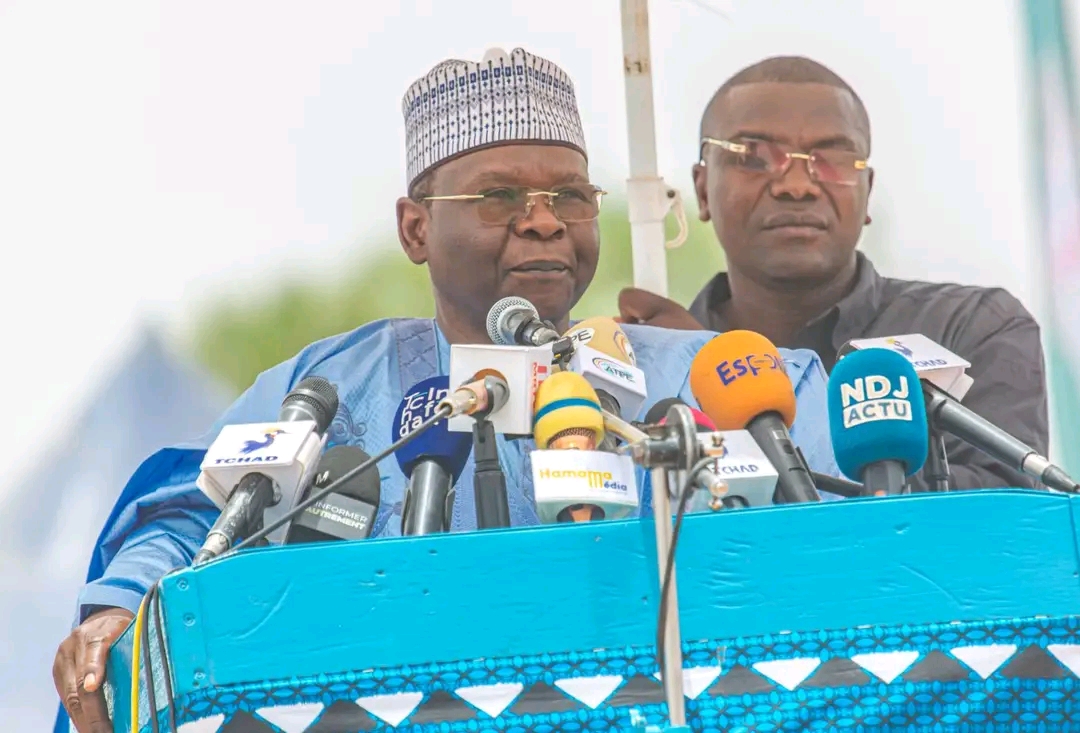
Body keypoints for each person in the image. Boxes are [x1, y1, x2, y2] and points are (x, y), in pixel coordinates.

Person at [52, 48, 842, 733]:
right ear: (416, 228)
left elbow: (848, 537)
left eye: (570, 196)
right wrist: (121, 609)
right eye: (499, 197)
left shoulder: (716, 376)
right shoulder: (328, 389)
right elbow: (190, 513)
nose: (544, 221)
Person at [617, 55, 1049, 494]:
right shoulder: (648, 367)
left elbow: (1002, 520)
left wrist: (705, 357)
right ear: (702, 188)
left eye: (833, 160)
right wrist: (684, 357)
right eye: (754, 157)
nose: (797, 185)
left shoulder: (972, 328)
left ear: (867, 194)